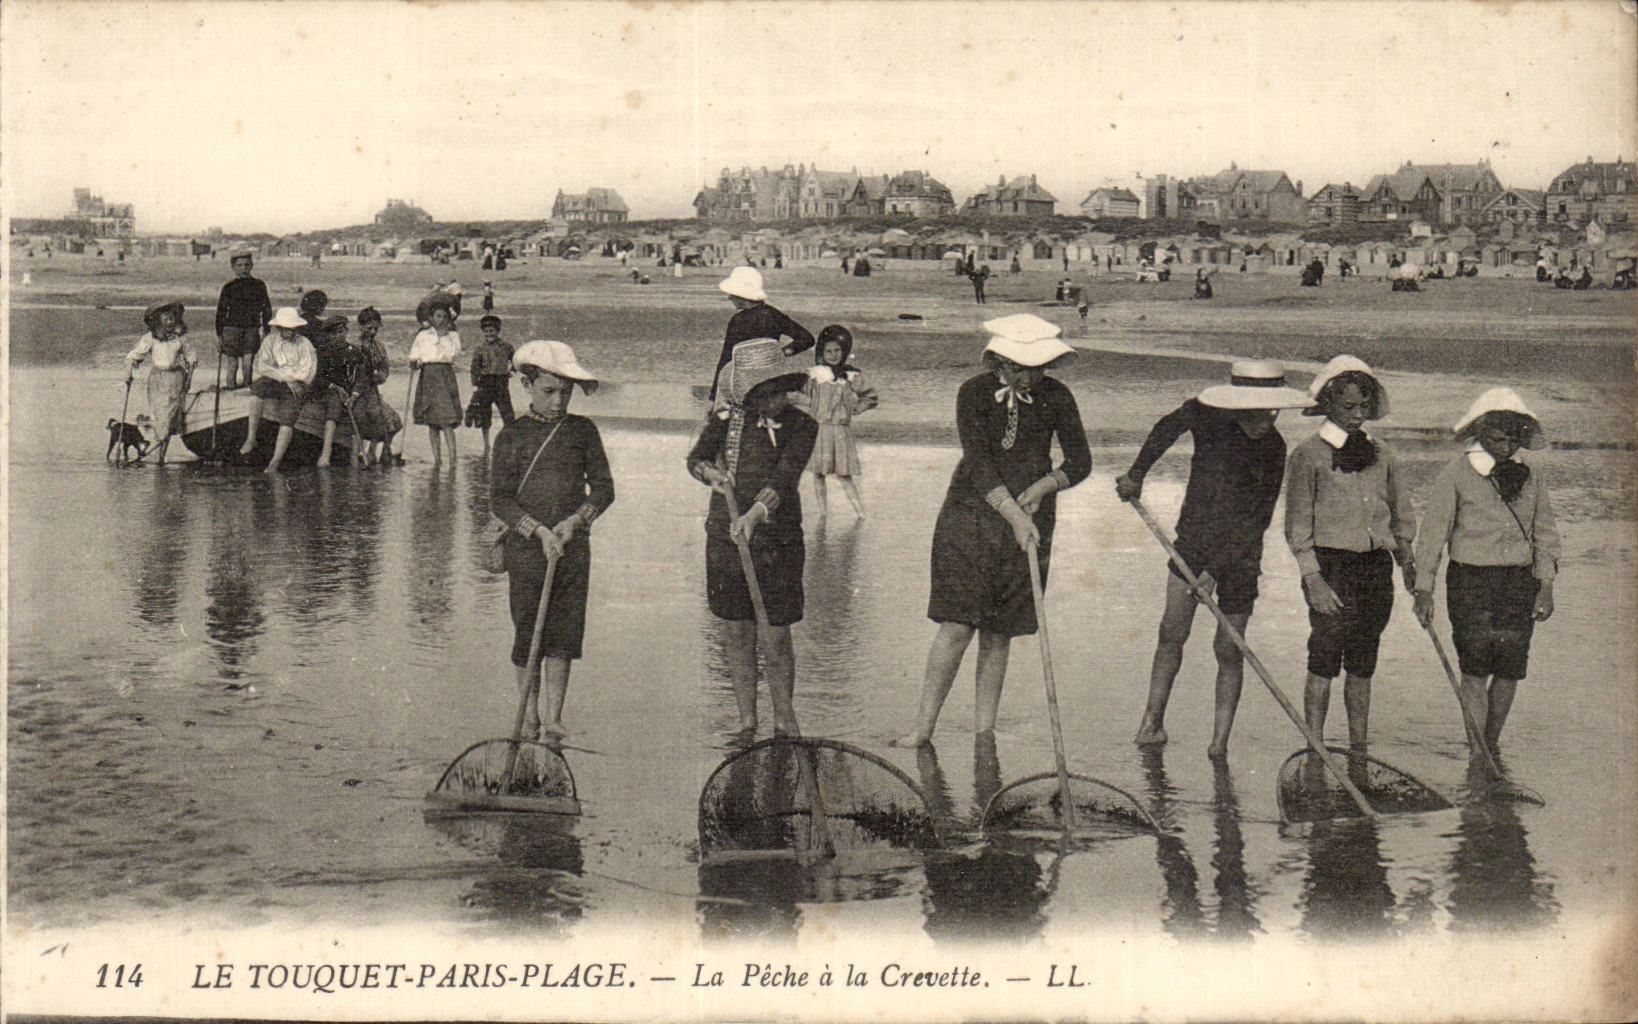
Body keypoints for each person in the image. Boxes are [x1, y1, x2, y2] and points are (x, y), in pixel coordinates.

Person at [891, 314, 1090, 748]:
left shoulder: (1057, 396)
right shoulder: (973, 393)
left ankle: (985, 731)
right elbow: (978, 463)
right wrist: (1014, 516)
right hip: (970, 516)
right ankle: (923, 729)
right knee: (958, 625)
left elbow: (1080, 461)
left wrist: (1043, 487)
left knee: (999, 631)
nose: (1033, 375)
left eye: (1039, 366)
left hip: (1033, 516)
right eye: (1023, 366)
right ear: (1001, 361)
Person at [1117, 360, 1313, 758]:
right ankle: (1151, 722)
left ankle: (1218, 744)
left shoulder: (1274, 448)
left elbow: (1257, 519)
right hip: (1192, 542)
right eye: (1256, 411)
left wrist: (1213, 572)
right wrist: (1137, 473)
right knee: (1171, 634)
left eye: (1273, 412)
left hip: (1240, 556)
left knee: (1229, 647)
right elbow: (1165, 429)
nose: (1264, 420)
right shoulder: (1205, 414)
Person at [1413, 388, 1558, 757]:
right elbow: (1432, 536)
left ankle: (1489, 745)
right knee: (1475, 670)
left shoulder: (1532, 475)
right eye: (1497, 438)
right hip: (1470, 583)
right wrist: (1424, 589)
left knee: (1510, 670)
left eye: (1513, 438)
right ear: (1480, 433)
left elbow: (1545, 534)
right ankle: (1479, 753)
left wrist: (1546, 587)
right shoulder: (1456, 473)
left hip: (1519, 583)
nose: (1506, 446)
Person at [687, 339, 817, 740]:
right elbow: (696, 459)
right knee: (737, 629)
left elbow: (786, 476)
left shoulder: (803, 426)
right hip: (725, 536)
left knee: (776, 632)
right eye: (765, 393)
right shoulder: (726, 421)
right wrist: (711, 475)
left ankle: (783, 719)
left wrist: (756, 514)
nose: (775, 399)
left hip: (777, 540)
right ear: (750, 393)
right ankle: (746, 721)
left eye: (779, 389)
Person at [1284, 356, 1416, 751]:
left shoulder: (1385, 455)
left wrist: (1408, 563)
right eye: (1348, 408)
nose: (1357, 416)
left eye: (1363, 407)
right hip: (1330, 568)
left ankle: (1359, 748)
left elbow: (1401, 515)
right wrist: (1314, 580)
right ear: (1327, 405)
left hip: (1375, 569)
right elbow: (1297, 528)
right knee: (1323, 658)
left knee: (1363, 662)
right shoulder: (1307, 456)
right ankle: (1315, 746)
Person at [490, 341, 614, 739]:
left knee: (564, 634)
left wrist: (575, 522)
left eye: (566, 392)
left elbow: (604, 489)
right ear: (527, 385)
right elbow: (500, 499)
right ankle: (528, 718)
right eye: (549, 391)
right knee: (528, 630)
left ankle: (554, 716)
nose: (559, 400)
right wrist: (539, 530)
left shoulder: (583, 431)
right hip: (527, 549)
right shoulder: (511, 436)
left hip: (572, 547)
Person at [801, 325, 877, 521]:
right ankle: (823, 513)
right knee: (818, 474)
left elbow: (870, 396)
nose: (833, 355)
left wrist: (856, 409)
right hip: (818, 430)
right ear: (821, 352)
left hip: (840, 431)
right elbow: (801, 398)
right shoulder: (815, 375)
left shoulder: (851, 375)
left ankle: (860, 513)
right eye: (828, 351)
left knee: (844, 474)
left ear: (844, 352)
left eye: (837, 351)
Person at [711, 266, 814, 402]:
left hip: (742, 386)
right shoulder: (773, 315)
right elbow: (806, 338)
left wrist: (713, 398)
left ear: (742, 294)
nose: (729, 297)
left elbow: (726, 359)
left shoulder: (737, 321)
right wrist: (781, 353)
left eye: (732, 293)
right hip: (769, 385)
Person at [238, 307, 317, 474]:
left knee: (288, 416)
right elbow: (262, 366)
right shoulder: (270, 341)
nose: (289, 332)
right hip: (279, 380)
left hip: (299, 382)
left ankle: (275, 461)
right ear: (279, 327)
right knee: (258, 390)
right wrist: (285, 378)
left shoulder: (305, 344)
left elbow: (307, 371)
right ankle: (251, 438)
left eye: (292, 328)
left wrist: (291, 379)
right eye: (285, 328)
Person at [125, 301, 198, 465]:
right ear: (158, 321)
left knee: (169, 417)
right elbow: (135, 355)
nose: (170, 323)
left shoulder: (180, 338)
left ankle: (160, 455)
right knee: (159, 417)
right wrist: (129, 373)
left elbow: (191, 359)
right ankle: (160, 456)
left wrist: (189, 379)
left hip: (176, 380)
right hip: (157, 380)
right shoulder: (150, 338)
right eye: (166, 320)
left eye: (172, 319)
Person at [307, 315, 370, 468]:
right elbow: (317, 378)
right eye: (333, 333)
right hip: (330, 392)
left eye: (341, 332)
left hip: (352, 393)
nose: (337, 336)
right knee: (334, 404)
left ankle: (354, 455)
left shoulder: (355, 352)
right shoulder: (322, 352)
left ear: (346, 331)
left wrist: (354, 396)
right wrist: (334, 387)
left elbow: (362, 378)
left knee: (360, 412)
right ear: (328, 335)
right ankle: (326, 453)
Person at [409, 299, 463, 468]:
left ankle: (453, 458)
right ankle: (437, 458)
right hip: (428, 376)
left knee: (446, 419)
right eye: (438, 316)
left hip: (445, 375)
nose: (441, 320)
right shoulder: (423, 335)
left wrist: (445, 336)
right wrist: (414, 362)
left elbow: (454, 353)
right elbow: (415, 354)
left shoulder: (452, 336)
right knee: (432, 421)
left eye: (444, 317)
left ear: (449, 318)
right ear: (431, 318)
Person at [348, 307, 401, 466]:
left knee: (390, 419)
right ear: (360, 326)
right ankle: (356, 455)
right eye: (369, 328)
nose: (372, 332)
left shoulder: (379, 346)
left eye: (376, 328)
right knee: (360, 420)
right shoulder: (352, 344)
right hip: (354, 390)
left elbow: (385, 368)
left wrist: (381, 377)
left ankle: (373, 450)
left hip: (372, 389)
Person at [215, 250, 272, 389]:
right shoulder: (228, 287)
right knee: (232, 364)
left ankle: (247, 388)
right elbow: (221, 311)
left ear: (251, 265)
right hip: (231, 329)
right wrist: (219, 334)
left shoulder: (259, 285)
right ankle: (231, 389)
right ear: (233, 267)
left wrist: (266, 329)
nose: (243, 268)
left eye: (246, 265)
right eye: (239, 265)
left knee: (248, 363)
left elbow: (266, 308)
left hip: (251, 328)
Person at [464, 314, 516, 458]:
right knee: (484, 414)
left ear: (498, 331)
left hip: (501, 382)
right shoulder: (480, 349)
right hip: (485, 383)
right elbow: (474, 369)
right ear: (483, 332)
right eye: (486, 331)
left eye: (492, 331)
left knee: (507, 413)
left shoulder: (506, 347)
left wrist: (512, 371)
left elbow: (516, 359)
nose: (489, 334)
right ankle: (486, 443)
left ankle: (508, 442)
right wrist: (474, 386)